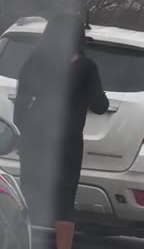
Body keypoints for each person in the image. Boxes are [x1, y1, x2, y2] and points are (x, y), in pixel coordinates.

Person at [13, 13, 109, 249]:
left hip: (35, 136)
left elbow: (22, 100)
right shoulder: (87, 67)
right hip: (68, 143)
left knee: (28, 195)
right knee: (65, 202)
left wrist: (19, 133)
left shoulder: (37, 60)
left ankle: (21, 243)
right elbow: (100, 105)